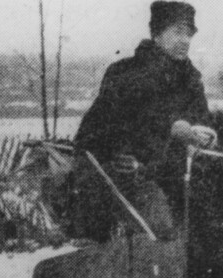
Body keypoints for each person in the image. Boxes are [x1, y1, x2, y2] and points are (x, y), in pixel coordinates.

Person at [70, 1, 212, 242]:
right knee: (160, 231)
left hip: (171, 175)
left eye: (189, 34)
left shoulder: (191, 79)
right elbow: (108, 126)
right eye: (178, 32)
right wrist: (170, 127)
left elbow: (202, 119)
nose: (185, 40)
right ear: (157, 34)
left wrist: (206, 134)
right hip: (122, 172)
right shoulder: (125, 73)